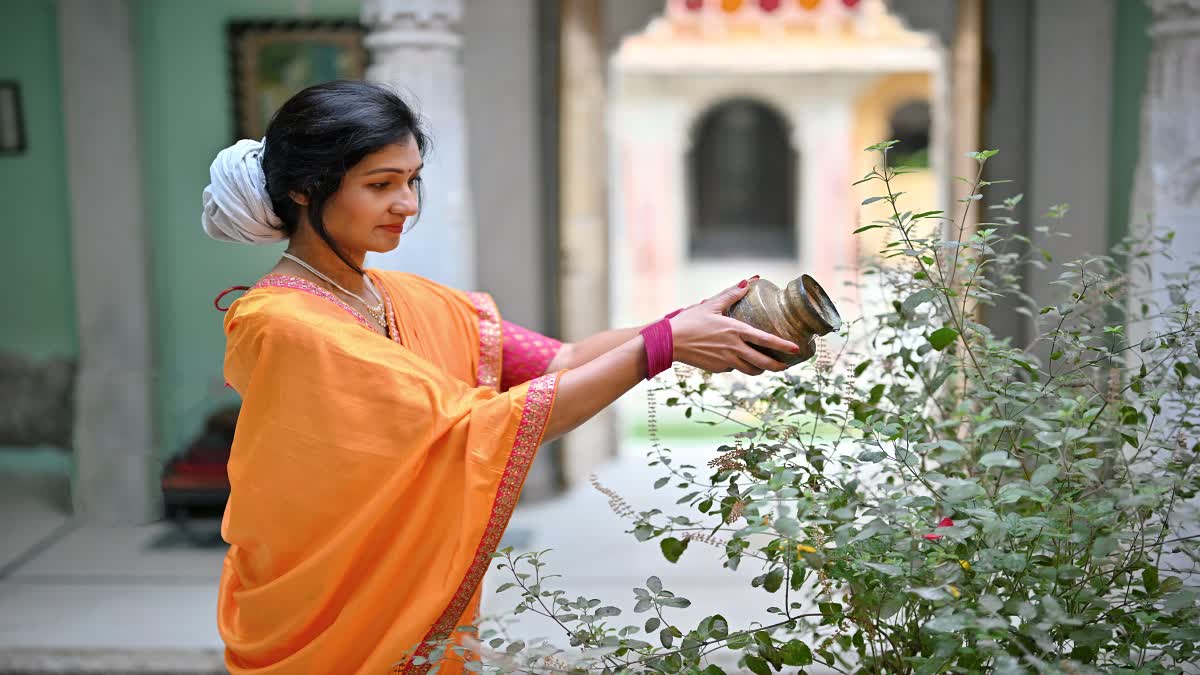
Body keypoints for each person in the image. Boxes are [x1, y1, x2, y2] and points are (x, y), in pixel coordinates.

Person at [202, 80, 800, 675]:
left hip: (399, 604)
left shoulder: (402, 296)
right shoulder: (283, 321)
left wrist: (687, 326)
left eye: (411, 181)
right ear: (305, 189)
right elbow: (474, 429)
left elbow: (561, 362)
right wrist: (661, 347)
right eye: (380, 185)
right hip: (323, 611)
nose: (407, 204)